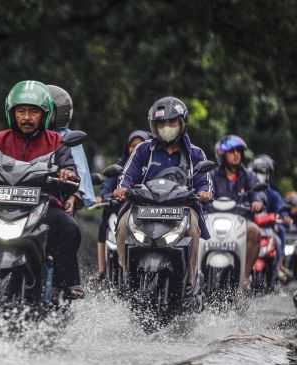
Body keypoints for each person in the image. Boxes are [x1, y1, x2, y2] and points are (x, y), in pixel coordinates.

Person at [0, 80, 83, 299]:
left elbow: (70, 171)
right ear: (11, 113)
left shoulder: (56, 141)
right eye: (21, 111)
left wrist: (67, 174)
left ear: (45, 114)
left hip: (42, 206)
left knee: (70, 228)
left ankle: (67, 283)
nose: (27, 117)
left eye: (33, 112)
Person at [114, 96, 213, 299]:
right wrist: (122, 188)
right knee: (123, 224)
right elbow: (127, 175)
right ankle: (125, 273)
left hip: (182, 209)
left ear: (182, 124)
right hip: (143, 208)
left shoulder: (195, 153)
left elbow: (205, 182)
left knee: (193, 228)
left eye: (172, 122)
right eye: (161, 123)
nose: (166, 127)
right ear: (154, 126)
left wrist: (205, 193)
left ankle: (190, 280)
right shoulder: (143, 150)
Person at [207, 134, 261, 289]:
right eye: (232, 151)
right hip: (213, 221)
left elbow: (257, 192)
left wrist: (257, 201)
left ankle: (244, 277)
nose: (236, 154)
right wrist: (202, 197)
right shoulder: (211, 175)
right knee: (193, 229)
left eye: (239, 151)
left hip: (240, 223)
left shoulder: (249, 176)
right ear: (222, 155)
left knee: (255, 231)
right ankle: (194, 277)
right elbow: (204, 191)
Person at [96, 130, 150, 280]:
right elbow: (107, 187)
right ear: (127, 147)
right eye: (132, 146)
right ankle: (101, 269)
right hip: (120, 209)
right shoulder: (120, 166)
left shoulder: (153, 167)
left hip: (145, 213)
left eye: (140, 145)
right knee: (105, 220)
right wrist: (106, 196)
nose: (136, 149)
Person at [47, 84, 95, 213]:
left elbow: (79, 171)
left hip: (57, 198)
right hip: (23, 198)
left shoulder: (66, 137)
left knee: (68, 228)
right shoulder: (22, 136)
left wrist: (73, 197)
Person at [249, 154, 292, 276]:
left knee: (279, 237)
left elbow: (281, 207)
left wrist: (284, 216)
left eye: (262, 172)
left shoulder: (272, 193)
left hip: (266, 227)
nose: (259, 175)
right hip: (247, 226)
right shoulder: (245, 188)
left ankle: (278, 266)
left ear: (268, 174)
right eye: (256, 171)